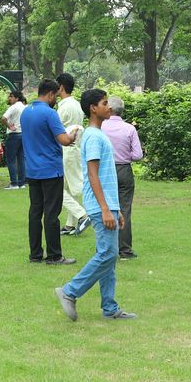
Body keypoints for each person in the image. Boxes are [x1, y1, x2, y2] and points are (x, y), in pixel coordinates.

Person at [55, 89, 135, 321]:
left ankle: (110, 308)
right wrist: (105, 209)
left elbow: (106, 176)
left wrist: (115, 209)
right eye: (104, 103)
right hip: (100, 206)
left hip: (108, 205)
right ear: (93, 108)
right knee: (108, 254)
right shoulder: (92, 136)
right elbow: (93, 175)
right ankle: (70, 291)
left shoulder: (98, 134)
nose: (109, 107)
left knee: (108, 258)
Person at [21, 79, 79, 265]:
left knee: (35, 212)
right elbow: (64, 140)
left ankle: (35, 254)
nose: (56, 100)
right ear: (51, 94)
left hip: (32, 170)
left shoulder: (25, 112)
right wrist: (73, 134)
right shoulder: (49, 113)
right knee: (52, 214)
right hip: (51, 171)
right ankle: (54, 256)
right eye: (56, 96)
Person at [103, 96, 144, 260]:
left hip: (106, 170)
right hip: (124, 170)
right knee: (124, 209)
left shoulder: (101, 127)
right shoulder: (129, 129)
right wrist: (125, 155)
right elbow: (138, 155)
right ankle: (125, 249)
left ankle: (107, 248)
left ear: (109, 109)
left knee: (106, 207)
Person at [56, 73, 91, 236]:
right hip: (75, 148)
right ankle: (70, 224)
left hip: (66, 148)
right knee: (69, 187)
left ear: (61, 87)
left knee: (57, 189)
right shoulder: (76, 104)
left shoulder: (64, 106)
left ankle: (81, 214)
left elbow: (56, 128)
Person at [2, 91, 26, 189]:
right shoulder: (25, 107)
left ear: (17, 98)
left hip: (14, 135)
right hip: (23, 135)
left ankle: (14, 183)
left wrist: (9, 126)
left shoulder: (13, 107)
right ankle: (21, 183)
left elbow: (3, 118)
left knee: (11, 159)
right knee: (21, 159)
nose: (10, 98)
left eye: (11, 97)